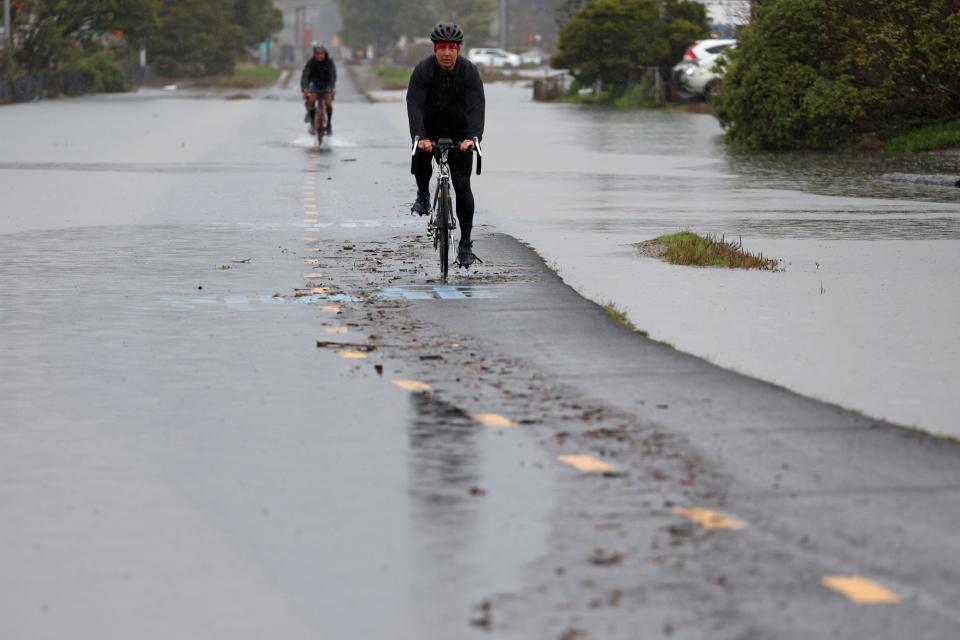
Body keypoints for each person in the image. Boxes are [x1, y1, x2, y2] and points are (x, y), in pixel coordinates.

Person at [406, 22, 486, 268]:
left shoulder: (469, 72)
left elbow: (476, 106)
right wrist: (420, 136)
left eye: (452, 48)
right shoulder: (423, 70)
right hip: (429, 129)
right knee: (420, 153)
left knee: (463, 187)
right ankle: (422, 193)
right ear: (435, 49)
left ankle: (465, 244)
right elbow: (414, 104)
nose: (447, 53)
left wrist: (473, 138)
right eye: (442, 48)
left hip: (460, 134)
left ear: (459, 49)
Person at [301, 44, 337, 135]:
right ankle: (312, 123)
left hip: (326, 85)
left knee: (329, 104)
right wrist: (305, 87)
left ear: (325, 54)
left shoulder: (329, 62)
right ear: (314, 54)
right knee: (311, 100)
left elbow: (333, 75)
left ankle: (329, 125)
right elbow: (305, 75)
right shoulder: (311, 62)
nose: (319, 56)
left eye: (321, 54)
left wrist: (332, 87)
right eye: (317, 54)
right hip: (314, 85)